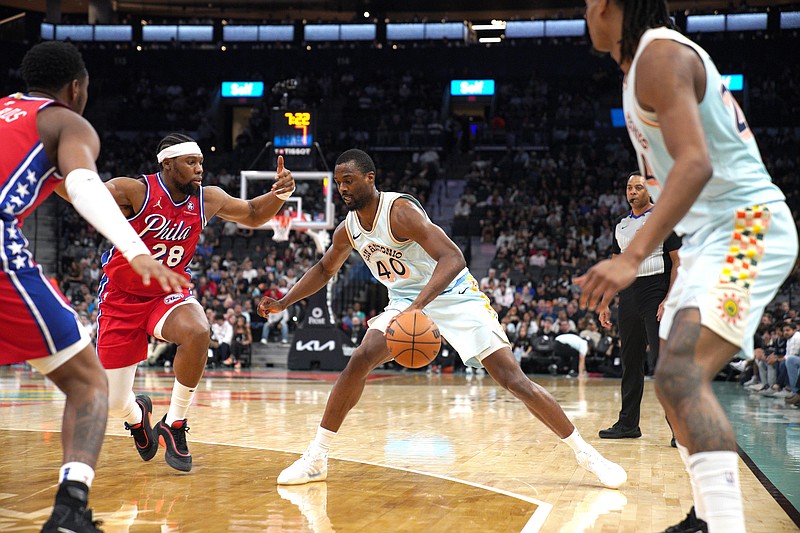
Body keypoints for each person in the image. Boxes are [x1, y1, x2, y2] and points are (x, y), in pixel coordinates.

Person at [259, 149, 626, 489]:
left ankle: (586, 454)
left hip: (454, 295)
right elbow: (324, 268)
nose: (342, 189)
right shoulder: (349, 229)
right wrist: (285, 301)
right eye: (338, 182)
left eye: (349, 181)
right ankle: (317, 457)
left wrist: (418, 306)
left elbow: (453, 258)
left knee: (514, 380)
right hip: (406, 300)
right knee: (359, 359)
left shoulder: (399, 211)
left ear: (370, 178)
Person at [579, 2, 799, 531]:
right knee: (671, 380)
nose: (584, 12)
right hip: (710, 239)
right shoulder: (641, 67)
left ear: (611, 5)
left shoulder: (658, 54)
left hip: (748, 226)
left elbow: (696, 163)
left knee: (679, 374)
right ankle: (708, 513)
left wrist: (632, 257)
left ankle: (722, 523)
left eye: (587, 2)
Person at [0, 41, 188, 532]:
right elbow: (84, 186)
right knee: (88, 384)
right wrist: (137, 250)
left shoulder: (3, 111)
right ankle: (70, 511)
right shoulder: (66, 121)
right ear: (77, 87)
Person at [96, 134, 295, 472]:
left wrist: (280, 194)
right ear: (168, 164)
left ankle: (174, 424)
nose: (200, 169)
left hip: (167, 292)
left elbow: (250, 213)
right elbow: (79, 194)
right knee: (114, 401)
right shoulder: (134, 192)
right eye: (192, 163)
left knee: (198, 331)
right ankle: (137, 416)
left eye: (201, 162)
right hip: (121, 297)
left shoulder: (208, 198)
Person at [597, 173, 680, 441]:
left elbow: (678, 262)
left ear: (650, 191)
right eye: (629, 188)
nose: (632, 192)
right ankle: (628, 423)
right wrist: (605, 302)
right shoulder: (620, 226)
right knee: (630, 362)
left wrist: (669, 298)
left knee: (661, 361)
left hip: (656, 290)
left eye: (638, 187)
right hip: (629, 294)